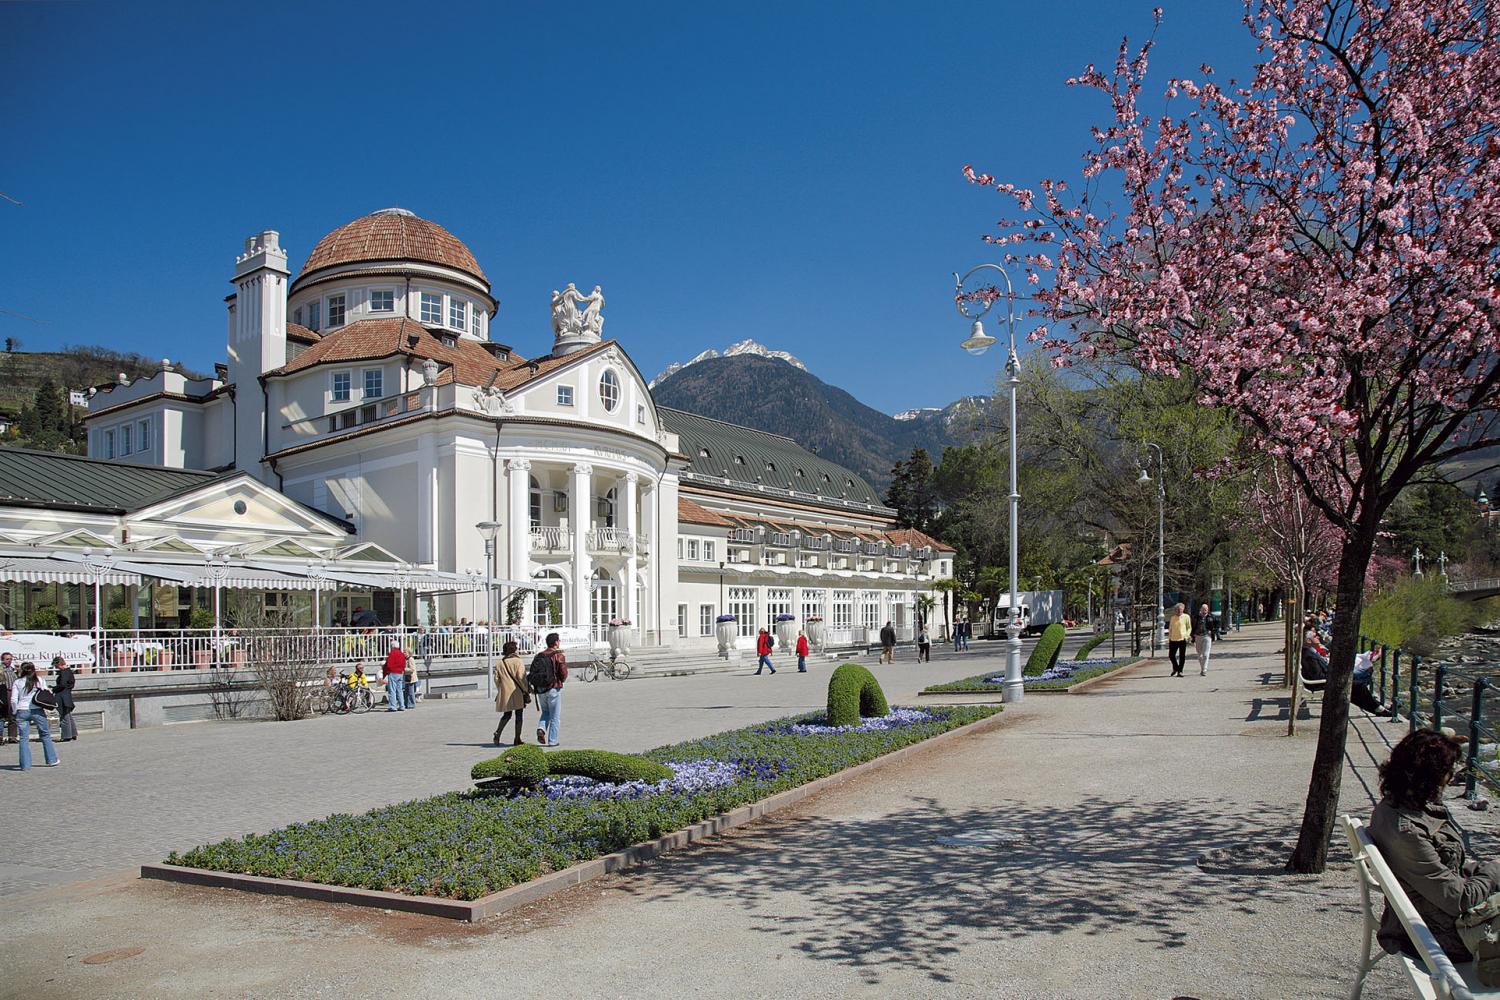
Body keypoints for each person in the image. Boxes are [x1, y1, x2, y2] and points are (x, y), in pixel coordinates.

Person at [1369, 729, 1500, 963]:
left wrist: (1482, 870)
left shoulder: (1396, 807)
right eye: (1448, 771)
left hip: (1433, 917)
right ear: (1430, 776)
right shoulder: (1407, 830)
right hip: (1442, 935)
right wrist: (1494, 869)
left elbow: (1444, 871)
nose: (1451, 777)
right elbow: (1458, 899)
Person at [11, 661, 58, 770]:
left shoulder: (17, 682)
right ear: (33, 670)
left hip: (22, 710)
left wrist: (14, 711)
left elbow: (13, 700)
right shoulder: (39, 680)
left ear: (21, 670)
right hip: (37, 710)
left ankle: (25, 765)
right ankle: (51, 760)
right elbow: (46, 692)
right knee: (45, 734)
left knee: (23, 738)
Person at [492, 639, 530, 746]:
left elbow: (496, 679)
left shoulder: (500, 663)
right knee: (519, 715)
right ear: (515, 650)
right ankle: (517, 739)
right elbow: (521, 677)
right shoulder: (518, 661)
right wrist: (526, 690)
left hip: (505, 692)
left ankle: (498, 732)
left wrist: (501, 689)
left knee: (507, 715)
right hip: (517, 692)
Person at [532, 632, 567, 746]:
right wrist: (561, 680)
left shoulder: (539, 655)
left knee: (545, 712)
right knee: (555, 716)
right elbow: (563, 673)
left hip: (541, 689)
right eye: (559, 640)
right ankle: (553, 740)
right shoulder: (558, 655)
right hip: (553, 688)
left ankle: (541, 729)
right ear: (556, 642)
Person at [1352, 644, 1387, 714]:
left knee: (1359, 687)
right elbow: (1372, 659)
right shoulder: (1366, 660)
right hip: (1353, 677)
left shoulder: (1360, 656)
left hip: (1353, 674)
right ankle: (1378, 707)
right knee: (1359, 686)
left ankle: (1379, 706)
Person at [1191, 603, 1220, 677]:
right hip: (1198, 636)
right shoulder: (1196, 617)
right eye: (1203, 609)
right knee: (1199, 655)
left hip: (1207, 636)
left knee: (1205, 654)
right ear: (1200, 609)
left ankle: (1204, 670)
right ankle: (1202, 668)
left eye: (1206, 609)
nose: (1205, 611)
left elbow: (1217, 625)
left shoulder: (1211, 617)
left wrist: (1213, 632)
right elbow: (1192, 626)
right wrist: (1192, 634)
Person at [52, 655, 77, 741]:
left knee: (64, 716)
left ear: (59, 664)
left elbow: (62, 685)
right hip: (67, 695)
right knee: (68, 715)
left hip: (62, 696)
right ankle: (73, 733)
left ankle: (66, 736)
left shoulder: (64, 672)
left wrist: (54, 689)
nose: (56, 668)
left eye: (56, 666)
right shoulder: (69, 672)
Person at [1167, 603, 1191, 676]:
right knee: (1171, 655)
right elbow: (1170, 628)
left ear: (1183, 609)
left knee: (1182, 656)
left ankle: (1180, 671)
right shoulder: (1173, 618)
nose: (1179, 611)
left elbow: (1189, 627)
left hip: (1182, 638)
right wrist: (1169, 638)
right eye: (1177, 610)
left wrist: (1187, 636)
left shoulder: (1186, 617)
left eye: (1180, 609)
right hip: (1173, 639)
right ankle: (1175, 667)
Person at [381, 641, 407, 712]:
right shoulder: (401, 654)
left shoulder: (392, 653)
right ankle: (402, 706)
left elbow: (389, 664)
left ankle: (393, 706)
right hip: (400, 673)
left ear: (392, 646)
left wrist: (385, 673)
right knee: (400, 690)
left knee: (392, 690)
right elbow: (404, 664)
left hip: (393, 672)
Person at [0, 650, 15, 746]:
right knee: (2, 715)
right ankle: (1, 736)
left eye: (10, 659)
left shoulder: (12, 670)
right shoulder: (1, 670)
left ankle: (12, 736)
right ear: (2, 660)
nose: (9, 661)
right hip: (4, 692)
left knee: (13, 714)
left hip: (13, 692)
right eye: (7, 659)